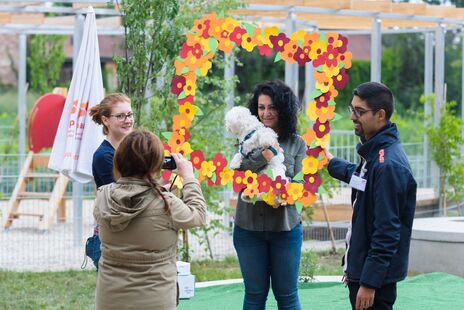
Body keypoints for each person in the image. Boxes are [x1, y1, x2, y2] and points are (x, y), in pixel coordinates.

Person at [326, 82, 417, 310]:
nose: (352, 116)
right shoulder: (376, 153)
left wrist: (369, 282)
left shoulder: (388, 165)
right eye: (352, 109)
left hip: (374, 280)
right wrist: (331, 163)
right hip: (363, 269)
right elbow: (362, 179)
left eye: (360, 111)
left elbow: (387, 231)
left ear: (381, 115)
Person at [93, 129, 207, 309]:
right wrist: (189, 178)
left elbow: (132, 195)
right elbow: (198, 215)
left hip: (110, 298)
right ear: (157, 163)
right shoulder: (166, 203)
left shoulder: (103, 196)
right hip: (155, 298)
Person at [233, 80, 306, 309]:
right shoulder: (244, 140)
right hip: (248, 230)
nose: (266, 113)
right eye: (261, 107)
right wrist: (264, 156)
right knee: (254, 296)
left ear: (283, 109)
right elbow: (238, 175)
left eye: (272, 107)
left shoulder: (297, 144)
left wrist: (284, 195)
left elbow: (302, 184)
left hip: (286, 230)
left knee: (287, 297)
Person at [87, 93, 134, 270]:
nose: (127, 120)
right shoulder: (103, 156)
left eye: (129, 114)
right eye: (120, 116)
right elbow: (123, 196)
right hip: (112, 239)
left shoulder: (133, 150)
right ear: (106, 121)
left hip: (131, 234)